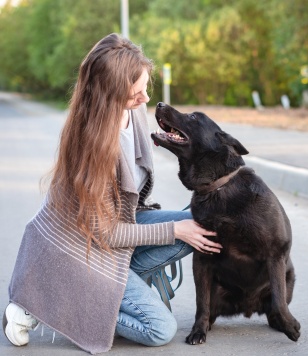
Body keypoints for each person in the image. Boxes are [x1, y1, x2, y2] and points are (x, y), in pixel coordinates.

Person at [2, 33, 222, 354]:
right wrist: (174, 230)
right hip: (82, 253)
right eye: (137, 92)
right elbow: (102, 233)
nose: (145, 98)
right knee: (160, 329)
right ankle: (57, 302)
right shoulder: (90, 147)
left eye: (146, 87)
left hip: (118, 230)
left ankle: (112, 285)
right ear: (111, 92)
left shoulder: (130, 110)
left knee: (202, 223)